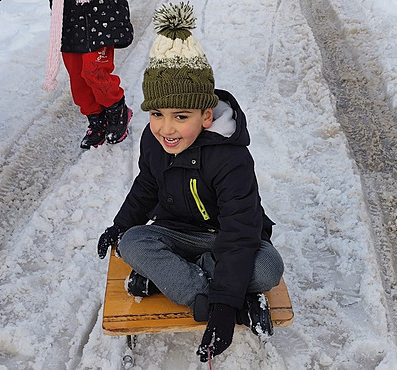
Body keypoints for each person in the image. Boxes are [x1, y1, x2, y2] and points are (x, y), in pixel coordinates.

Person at [95, 2, 284, 362]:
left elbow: (242, 231)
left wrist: (224, 310)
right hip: (177, 232)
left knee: (267, 268)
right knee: (133, 242)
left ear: (206, 114)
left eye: (181, 116)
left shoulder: (231, 158)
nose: (167, 128)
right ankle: (206, 289)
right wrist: (119, 226)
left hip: (224, 236)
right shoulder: (155, 141)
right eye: (157, 114)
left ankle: (176, 281)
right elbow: (147, 186)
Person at [44, 0, 134, 149]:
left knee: (94, 70)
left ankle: (117, 110)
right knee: (77, 79)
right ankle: (97, 120)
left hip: (101, 15)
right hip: (69, 17)